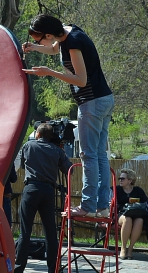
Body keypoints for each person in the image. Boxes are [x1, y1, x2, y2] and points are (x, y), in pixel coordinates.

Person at [22, 14, 114, 219]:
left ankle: (88, 206)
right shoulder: (68, 32)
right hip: (104, 99)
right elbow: (54, 48)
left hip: (92, 102)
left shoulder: (72, 43)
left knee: (88, 155)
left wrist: (49, 72)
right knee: (99, 155)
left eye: (39, 40)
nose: (40, 43)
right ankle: (102, 206)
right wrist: (35, 48)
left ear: (48, 33)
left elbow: (81, 80)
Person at [14, 123, 72, 273]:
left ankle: (19, 269)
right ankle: (53, 271)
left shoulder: (29, 145)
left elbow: (21, 164)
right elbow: (69, 170)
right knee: (50, 232)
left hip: (31, 188)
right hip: (48, 190)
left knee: (25, 230)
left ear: (38, 134)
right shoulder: (56, 150)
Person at [116, 167, 148, 260]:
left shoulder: (138, 190)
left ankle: (130, 249)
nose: (120, 180)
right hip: (122, 214)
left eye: (123, 178)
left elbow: (145, 203)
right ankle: (123, 248)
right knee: (127, 219)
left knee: (140, 221)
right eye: (119, 178)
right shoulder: (116, 189)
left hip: (137, 214)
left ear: (130, 180)